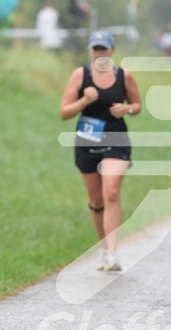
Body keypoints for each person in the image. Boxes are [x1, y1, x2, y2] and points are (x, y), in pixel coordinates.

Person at [60, 30, 142, 271]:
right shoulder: (80, 75)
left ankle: (113, 254)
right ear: (90, 51)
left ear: (112, 50)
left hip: (116, 139)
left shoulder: (124, 77)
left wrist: (127, 109)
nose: (100, 53)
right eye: (96, 49)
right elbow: (64, 112)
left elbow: (137, 105)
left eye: (104, 48)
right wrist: (84, 101)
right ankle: (105, 249)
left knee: (112, 191)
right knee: (96, 200)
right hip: (87, 141)